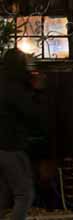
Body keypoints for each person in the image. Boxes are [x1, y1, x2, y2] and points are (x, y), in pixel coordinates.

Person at [0, 49, 38, 220]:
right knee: (24, 194)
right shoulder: (14, 88)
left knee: (4, 194)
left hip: (5, 145)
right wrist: (36, 90)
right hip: (11, 145)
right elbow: (30, 114)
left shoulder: (4, 83)